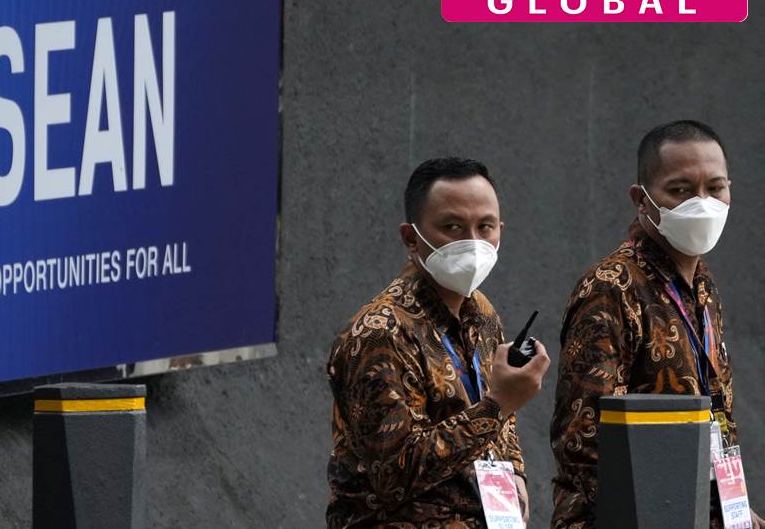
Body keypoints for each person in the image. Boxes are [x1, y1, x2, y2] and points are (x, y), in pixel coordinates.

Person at [550, 120, 763, 528]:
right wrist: (675, 510)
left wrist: (732, 510)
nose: (701, 203)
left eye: (715, 188)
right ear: (641, 199)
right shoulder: (611, 288)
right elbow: (581, 440)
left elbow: (716, 418)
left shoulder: (703, 287)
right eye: (680, 190)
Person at [327, 157, 551, 527]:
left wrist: (515, 474)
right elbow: (394, 474)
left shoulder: (481, 312)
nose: (473, 243)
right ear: (411, 238)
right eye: (452, 227)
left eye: (485, 227)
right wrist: (498, 406)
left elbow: (496, 409)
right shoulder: (379, 333)